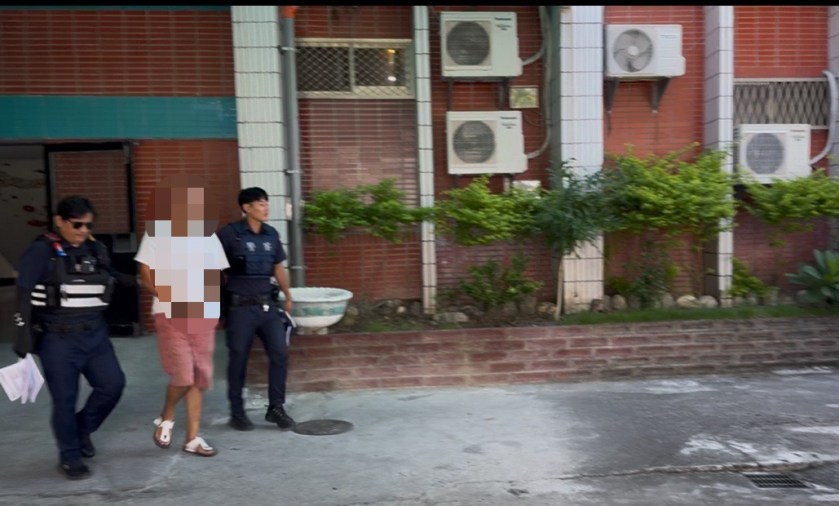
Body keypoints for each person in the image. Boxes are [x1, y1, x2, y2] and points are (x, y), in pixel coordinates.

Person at [13, 195, 136, 480]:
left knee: (112, 385)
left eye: (88, 225)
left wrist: (147, 282)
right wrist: (23, 338)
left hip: (95, 334)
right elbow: (23, 293)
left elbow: (113, 275)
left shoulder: (96, 249)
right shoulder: (41, 251)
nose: (83, 231)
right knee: (65, 400)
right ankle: (69, 456)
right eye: (77, 224)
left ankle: (81, 430)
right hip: (57, 339)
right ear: (59, 221)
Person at [134, 174, 229, 458]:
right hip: (170, 312)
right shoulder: (156, 234)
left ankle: (192, 438)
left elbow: (218, 275)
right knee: (184, 376)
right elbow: (144, 274)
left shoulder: (208, 236)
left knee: (199, 377)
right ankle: (167, 414)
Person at [217, 187, 296, 432]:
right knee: (238, 357)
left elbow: (278, 267)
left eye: (266, 203)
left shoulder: (271, 234)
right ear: (246, 207)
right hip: (240, 307)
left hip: (267, 306)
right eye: (261, 204)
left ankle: (276, 408)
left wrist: (288, 295)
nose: (266, 208)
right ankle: (237, 412)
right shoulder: (229, 234)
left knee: (280, 354)